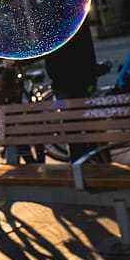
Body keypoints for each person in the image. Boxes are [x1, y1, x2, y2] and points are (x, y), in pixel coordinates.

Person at [44, 18, 105, 161]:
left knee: (75, 131)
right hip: (83, 80)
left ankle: (83, 167)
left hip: (66, 83)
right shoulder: (77, 15)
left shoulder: (53, 22)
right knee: (89, 128)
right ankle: (96, 163)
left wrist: (14, 62)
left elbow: (43, 49)